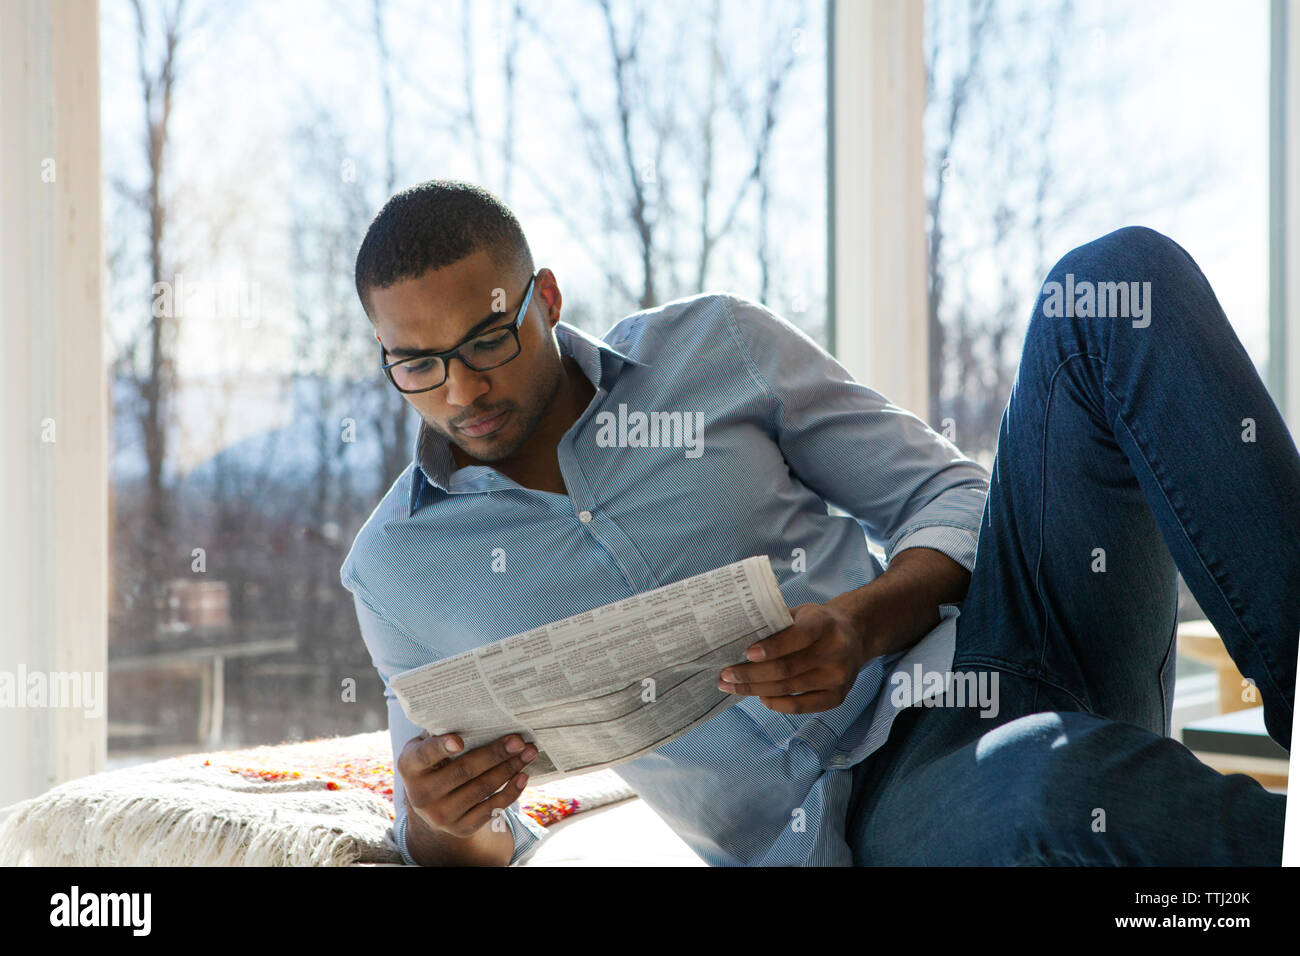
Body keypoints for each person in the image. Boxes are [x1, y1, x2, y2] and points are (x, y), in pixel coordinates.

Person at [340, 179, 1298, 866]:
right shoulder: (397, 569)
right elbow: (458, 842)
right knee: (1055, 789)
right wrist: (441, 814)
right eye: (415, 363)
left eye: (487, 340)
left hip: (1002, 647)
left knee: (1116, 280)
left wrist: (864, 622)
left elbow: (953, 496)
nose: (461, 388)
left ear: (544, 300)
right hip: (865, 809)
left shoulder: (714, 348)